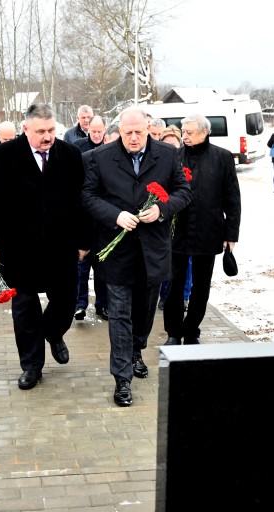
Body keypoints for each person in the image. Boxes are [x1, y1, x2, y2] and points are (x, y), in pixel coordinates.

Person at [82, 106, 191, 406]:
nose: (133, 138)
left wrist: (161, 209)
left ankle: (136, 350)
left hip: (152, 250)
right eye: (128, 132)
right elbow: (88, 196)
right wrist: (115, 215)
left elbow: (184, 190)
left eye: (138, 132)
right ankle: (122, 378)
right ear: (120, 130)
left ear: (147, 129)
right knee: (119, 314)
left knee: (143, 312)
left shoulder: (167, 155)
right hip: (116, 251)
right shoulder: (101, 157)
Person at [0, 103, 89, 391]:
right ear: (25, 129)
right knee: (25, 308)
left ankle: (53, 333)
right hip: (18, 247)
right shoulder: (3, 156)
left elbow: (81, 201)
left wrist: (84, 240)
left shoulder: (70, 154)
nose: (48, 136)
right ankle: (32, 366)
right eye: (41, 131)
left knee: (65, 301)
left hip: (60, 245)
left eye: (51, 130)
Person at [163, 113, 241, 346]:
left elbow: (232, 198)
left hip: (209, 231)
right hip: (178, 231)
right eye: (183, 132)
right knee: (174, 283)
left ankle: (192, 330)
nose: (184, 136)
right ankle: (174, 332)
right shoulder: (174, 157)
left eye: (189, 132)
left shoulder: (222, 157)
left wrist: (231, 234)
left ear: (204, 132)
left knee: (201, 285)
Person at [73, 115, 109, 321]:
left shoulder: (108, 150)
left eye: (99, 131)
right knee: (81, 267)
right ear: (88, 130)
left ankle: (102, 305)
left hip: (102, 216)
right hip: (84, 213)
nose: (96, 134)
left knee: (101, 267)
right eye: (93, 131)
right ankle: (80, 304)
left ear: (104, 130)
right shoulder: (79, 148)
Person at [156, 125, 192, 311]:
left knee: (186, 263)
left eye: (174, 145)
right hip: (163, 219)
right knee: (164, 259)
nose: (171, 149)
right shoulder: (157, 164)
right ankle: (164, 295)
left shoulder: (184, 163)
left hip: (182, 219)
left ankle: (184, 296)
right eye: (167, 144)